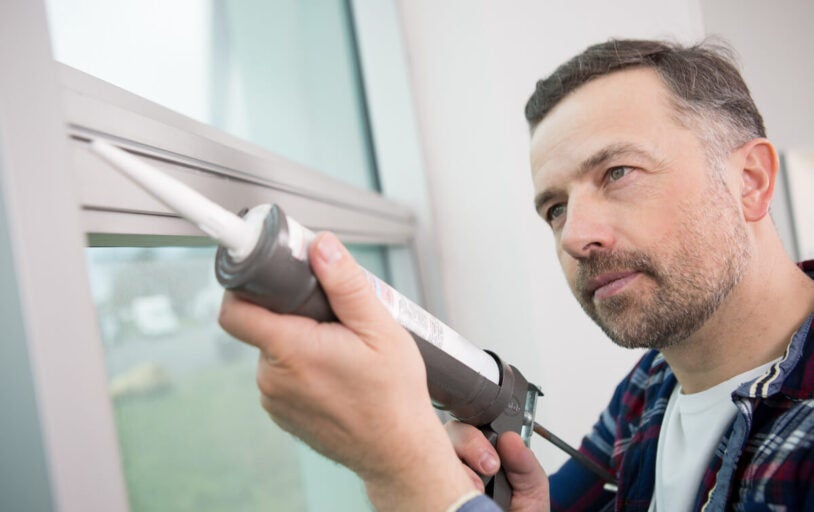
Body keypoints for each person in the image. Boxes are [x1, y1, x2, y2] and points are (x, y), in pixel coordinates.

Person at [218, 39, 814, 511]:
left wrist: (408, 476)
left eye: (618, 173)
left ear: (751, 181)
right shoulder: (654, 383)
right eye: (555, 209)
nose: (577, 237)